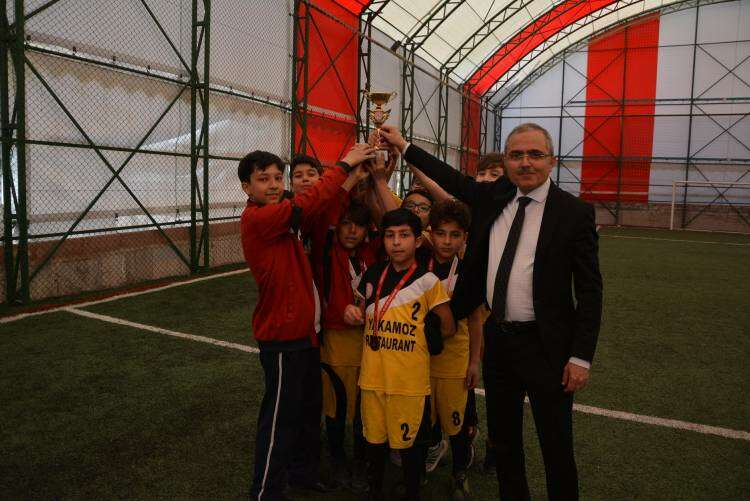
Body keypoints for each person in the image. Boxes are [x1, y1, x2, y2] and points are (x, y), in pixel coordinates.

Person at [378, 122, 603, 501]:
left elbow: (590, 290)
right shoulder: (493, 196)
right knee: (505, 442)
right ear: (507, 161)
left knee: (556, 446)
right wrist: (403, 145)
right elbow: (449, 177)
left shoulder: (574, 212)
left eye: (535, 154)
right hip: (499, 342)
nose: (525, 162)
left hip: (547, 347)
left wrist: (580, 356)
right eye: (516, 155)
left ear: (552, 160)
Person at [240, 145, 374, 501]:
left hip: (307, 334)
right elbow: (307, 204)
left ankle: (302, 475)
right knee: (279, 419)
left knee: (308, 412)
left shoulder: (284, 217)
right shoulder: (258, 218)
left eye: (277, 177)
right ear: (246, 187)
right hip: (283, 338)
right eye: (263, 179)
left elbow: (318, 209)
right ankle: (265, 491)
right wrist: (344, 164)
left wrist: (351, 180)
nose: (273, 184)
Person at [343, 208, 456, 501]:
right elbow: (359, 311)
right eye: (390, 236)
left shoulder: (428, 281)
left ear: (418, 241)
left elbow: (448, 326)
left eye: (404, 235)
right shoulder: (372, 274)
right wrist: (352, 312)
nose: (396, 242)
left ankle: (412, 491)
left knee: (410, 447)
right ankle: (375, 489)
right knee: (374, 441)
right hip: (373, 378)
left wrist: (429, 333)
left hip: (409, 382)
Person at [310, 198, 379, 493]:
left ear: (367, 230)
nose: (352, 231)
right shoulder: (326, 252)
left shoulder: (373, 252)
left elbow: (385, 218)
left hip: (371, 341)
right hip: (336, 339)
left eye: (358, 226)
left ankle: (361, 461)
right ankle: (337, 459)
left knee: (365, 405)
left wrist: (377, 180)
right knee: (336, 404)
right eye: (346, 224)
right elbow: (326, 214)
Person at [423, 199, 484, 499]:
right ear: (430, 234)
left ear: (465, 237)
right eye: (441, 233)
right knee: (425, 416)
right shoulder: (419, 264)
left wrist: (474, 363)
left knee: (456, 421)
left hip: (455, 359)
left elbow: (475, 321)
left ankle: (459, 472)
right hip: (420, 357)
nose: (447, 241)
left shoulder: (468, 272)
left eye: (455, 235)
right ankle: (428, 454)